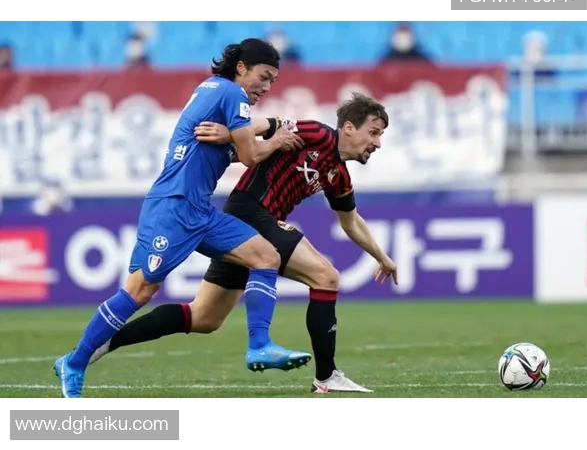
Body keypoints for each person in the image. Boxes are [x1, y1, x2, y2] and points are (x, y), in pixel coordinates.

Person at [88, 93, 398, 393]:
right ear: (348, 128)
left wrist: (382, 257)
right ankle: (326, 376)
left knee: (204, 318)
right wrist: (230, 134)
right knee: (326, 276)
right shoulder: (318, 134)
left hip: (251, 225)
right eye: (373, 133)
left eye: (381, 135)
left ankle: (103, 343)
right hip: (250, 211)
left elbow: (350, 221)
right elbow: (270, 124)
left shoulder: (339, 175)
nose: (378, 143)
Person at [53, 38, 311, 398]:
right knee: (140, 290)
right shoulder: (232, 93)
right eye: (264, 77)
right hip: (174, 206)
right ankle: (75, 361)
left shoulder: (214, 89)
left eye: (273, 81)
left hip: (199, 210)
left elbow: (226, 151)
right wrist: (277, 139)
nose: (266, 87)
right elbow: (250, 156)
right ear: (241, 68)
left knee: (266, 256)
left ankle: (260, 346)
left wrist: (237, 137)